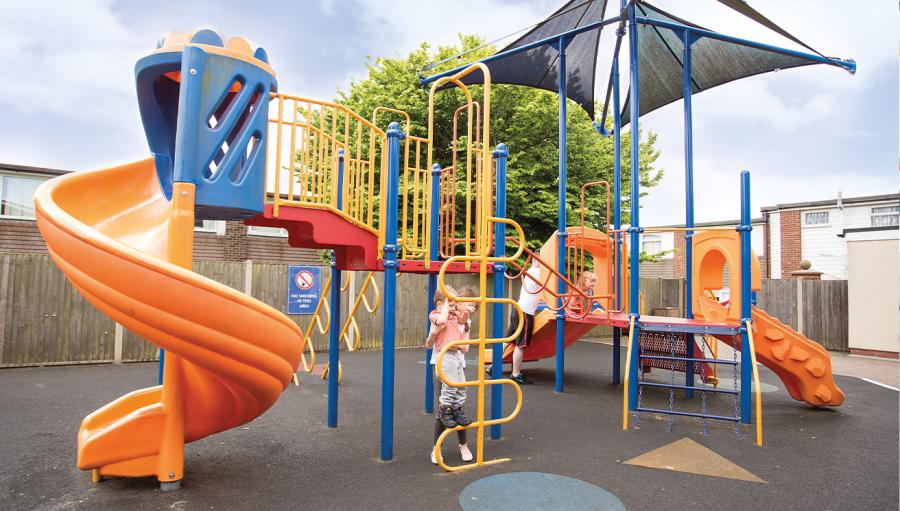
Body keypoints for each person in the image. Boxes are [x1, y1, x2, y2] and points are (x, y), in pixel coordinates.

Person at [426, 285, 474, 464]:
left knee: (458, 405)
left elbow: (466, 347)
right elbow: (431, 339)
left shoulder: (462, 320)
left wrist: (465, 317)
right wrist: (447, 305)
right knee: (445, 405)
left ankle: (463, 445)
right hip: (442, 361)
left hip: (458, 362)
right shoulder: (440, 315)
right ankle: (436, 448)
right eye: (454, 303)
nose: (458, 306)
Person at [507, 258, 541, 385]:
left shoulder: (531, 271)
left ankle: (494, 365)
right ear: (535, 260)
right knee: (520, 345)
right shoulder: (537, 272)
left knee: (508, 340)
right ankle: (516, 374)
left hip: (518, 308)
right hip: (525, 312)